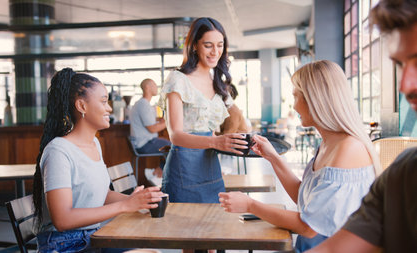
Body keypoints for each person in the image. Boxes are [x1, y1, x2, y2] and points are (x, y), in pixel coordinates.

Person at [219, 60, 381, 252]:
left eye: (296, 96)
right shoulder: (329, 143)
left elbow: (308, 227)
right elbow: (305, 200)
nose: (294, 106)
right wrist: (273, 157)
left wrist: (250, 205)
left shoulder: (349, 149)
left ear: (316, 99)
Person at [307, 1, 417, 252]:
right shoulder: (403, 174)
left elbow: (310, 228)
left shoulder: (351, 149)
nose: (405, 85)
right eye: (400, 65)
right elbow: (333, 248)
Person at [32, 68, 164, 253]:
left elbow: (102, 195)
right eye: (103, 101)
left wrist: (137, 201)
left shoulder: (94, 143)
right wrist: (125, 206)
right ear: (82, 106)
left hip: (92, 237)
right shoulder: (58, 151)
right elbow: (63, 220)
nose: (109, 108)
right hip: (66, 245)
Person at [158, 17, 248, 203]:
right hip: (183, 169)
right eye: (208, 45)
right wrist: (215, 142)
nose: (215, 51)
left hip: (211, 167)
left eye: (220, 45)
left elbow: (212, 131)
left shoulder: (217, 84)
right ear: (194, 46)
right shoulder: (178, 80)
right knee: (184, 230)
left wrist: (232, 142)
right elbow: (176, 135)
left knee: (215, 226)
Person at [129, 78, 171, 182]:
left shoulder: (143, 104)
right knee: (173, 147)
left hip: (145, 142)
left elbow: (152, 123)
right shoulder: (143, 104)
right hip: (145, 144)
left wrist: (163, 121)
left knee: (169, 145)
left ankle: (157, 172)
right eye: (154, 85)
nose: (157, 88)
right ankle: (157, 174)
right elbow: (152, 129)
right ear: (147, 87)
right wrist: (169, 122)